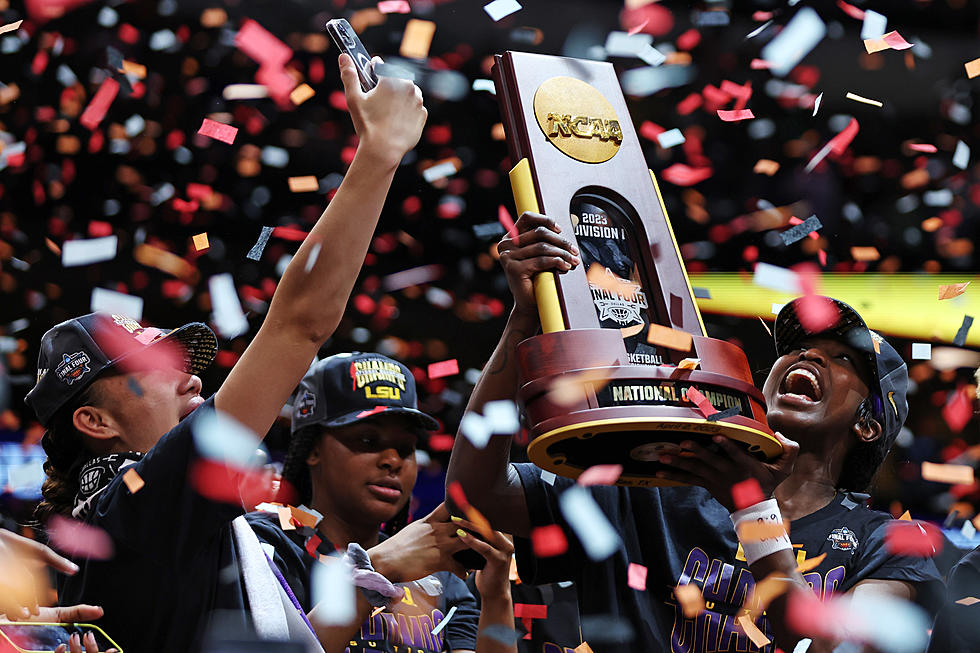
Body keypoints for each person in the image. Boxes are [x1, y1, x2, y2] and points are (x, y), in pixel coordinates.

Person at [22, 53, 444, 653]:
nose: (191, 380)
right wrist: (379, 155)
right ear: (95, 421)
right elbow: (299, 326)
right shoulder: (139, 499)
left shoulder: (178, 522)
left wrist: (375, 572)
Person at [446, 212, 944, 653]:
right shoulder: (655, 477)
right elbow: (475, 494)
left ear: (868, 422)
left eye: (842, 359)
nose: (808, 355)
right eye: (796, 349)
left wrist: (752, 509)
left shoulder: (890, 546)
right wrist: (523, 323)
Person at [248, 352, 519, 653]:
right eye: (368, 441)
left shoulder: (437, 572)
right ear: (312, 449)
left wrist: (496, 596)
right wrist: (375, 571)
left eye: (405, 448)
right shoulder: (261, 545)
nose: (392, 461)